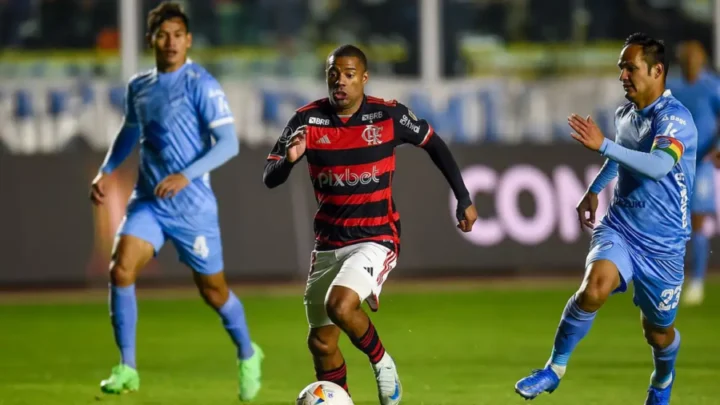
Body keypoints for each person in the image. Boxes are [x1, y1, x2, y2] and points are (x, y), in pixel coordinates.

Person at [263, 44, 478, 405]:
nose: (340, 82)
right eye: (334, 74)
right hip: (328, 243)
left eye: (349, 75)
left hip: (376, 236)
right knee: (321, 342)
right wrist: (289, 159)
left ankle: (383, 364)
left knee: (341, 305)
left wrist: (464, 196)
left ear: (364, 78)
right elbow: (270, 177)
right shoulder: (306, 120)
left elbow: (434, 143)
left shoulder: (388, 116)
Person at [89, 2, 263, 401]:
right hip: (149, 201)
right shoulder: (140, 86)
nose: (171, 42)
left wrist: (187, 174)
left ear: (188, 41)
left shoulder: (201, 84)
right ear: (151, 39)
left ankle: (248, 353)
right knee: (120, 271)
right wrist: (107, 169)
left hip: (193, 208)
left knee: (214, 292)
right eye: (163, 35)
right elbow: (129, 133)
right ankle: (127, 367)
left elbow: (229, 144)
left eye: (178, 35)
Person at [514, 33, 697, 405]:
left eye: (630, 68)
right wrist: (595, 189)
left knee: (658, 333)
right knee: (593, 288)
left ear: (657, 70)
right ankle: (554, 369)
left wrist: (604, 145)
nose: (623, 76)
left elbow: (660, 165)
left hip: (664, 245)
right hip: (621, 226)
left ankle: (662, 381)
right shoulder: (625, 114)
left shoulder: (676, 119)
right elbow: (620, 156)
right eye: (620, 69)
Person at [667, 39, 720, 306]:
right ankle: (668, 278)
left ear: (702, 60)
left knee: (697, 219)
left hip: (701, 164)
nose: (691, 63)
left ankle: (697, 281)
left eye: (695, 58)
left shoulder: (712, 86)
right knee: (670, 222)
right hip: (672, 163)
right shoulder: (671, 86)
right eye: (686, 58)